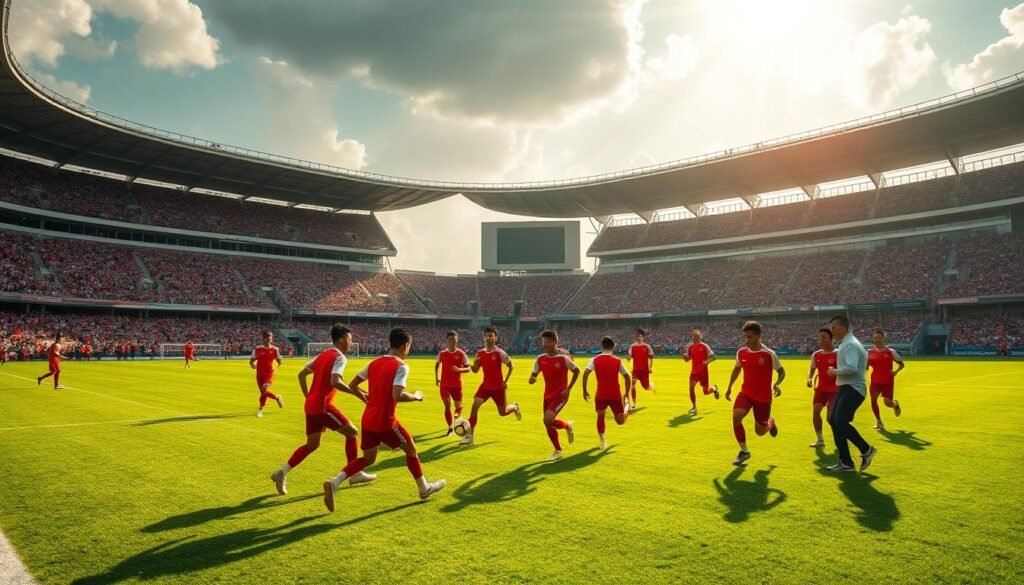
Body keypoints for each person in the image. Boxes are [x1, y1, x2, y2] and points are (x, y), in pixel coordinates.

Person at [322, 328, 446, 510]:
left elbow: (353, 385)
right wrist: (416, 396)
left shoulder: (374, 362)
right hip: (386, 421)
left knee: (368, 459)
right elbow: (398, 394)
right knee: (411, 450)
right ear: (405, 345)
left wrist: (366, 398)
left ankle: (334, 482)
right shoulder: (401, 366)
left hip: (368, 420)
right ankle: (424, 488)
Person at [269, 325, 375, 495]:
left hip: (311, 406)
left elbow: (301, 375)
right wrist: (357, 394)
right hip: (322, 406)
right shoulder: (340, 357)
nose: (351, 343)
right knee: (352, 433)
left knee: (312, 445)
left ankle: (282, 472)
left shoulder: (324, 354)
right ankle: (354, 474)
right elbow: (335, 381)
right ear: (342, 341)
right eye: (350, 339)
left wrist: (308, 396)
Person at [725, 321, 785, 465]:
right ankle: (744, 451)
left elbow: (781, 371)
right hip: (745, 393)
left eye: (750, 337)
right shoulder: (741, 352)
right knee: (736, 417)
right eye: (745, 337)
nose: (747, 340)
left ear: (759, 336)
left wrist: (777, 384)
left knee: (760, 431)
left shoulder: (769, 354)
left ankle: (770, 422)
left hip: (763, 398)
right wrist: (729, 387)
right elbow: (737, 368)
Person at [826, 315, 877, 472]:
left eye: (833, 327)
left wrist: (834, 371)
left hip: (853, 388)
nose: (831, 331)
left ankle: (866, 449)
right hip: (846, 387)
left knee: (839, 421)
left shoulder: (850, 345)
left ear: (843, 327)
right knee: (834, 421)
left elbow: (852, 368)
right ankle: (846, 462)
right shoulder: (847, 343)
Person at [461, 326, 521, 446]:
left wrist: (506, 381)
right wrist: (474, 365)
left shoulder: (500, 352)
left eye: (491, 336)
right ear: (484, 337)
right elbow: (475, 370)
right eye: (486, 336)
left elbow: (511, 365)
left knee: (503, 412)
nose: (488, 338)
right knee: (475, 406)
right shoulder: (480, 353)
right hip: (485, 386)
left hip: (498, 388)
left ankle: (514, 407)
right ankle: (470, 436)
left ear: (495, 338)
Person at [529, 330, 580, 462]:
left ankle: (559, 447)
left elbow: (577, 371)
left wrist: (568, 388)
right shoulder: (540, 359)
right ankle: (564, 434)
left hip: (561, 395)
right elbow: (534, 374)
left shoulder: (563, 359)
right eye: (543, 342)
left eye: (547, 342)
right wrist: (532, 379)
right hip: (547, 395)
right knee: (548, 423)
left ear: (554, 342)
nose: (544, 344)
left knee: (547, 420)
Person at [582, 336, 632, 450]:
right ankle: (603, 441)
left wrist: (584, 390)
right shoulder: (617, 360)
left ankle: (627, 406)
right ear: (613, 347)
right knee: (618, 421)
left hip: (605, 395)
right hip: (611, 395)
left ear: (602, 346)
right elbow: (627, 376)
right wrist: (627, 393)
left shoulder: (594, 359)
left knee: (603, 417)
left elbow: (585, 373)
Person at [867, 329, 905, 431]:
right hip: (875, 381)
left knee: (887, 403)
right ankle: (879, 422)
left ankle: (895, 405)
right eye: (875, 338)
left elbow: (902, 364)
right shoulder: (870, 352)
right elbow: (866, 367)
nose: (876, 340)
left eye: (879, 338)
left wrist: (896, 372)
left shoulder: (891, 352)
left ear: (884, 339)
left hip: (887, 381)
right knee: (873, 400)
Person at [807, 328, 838, 447]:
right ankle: (820, 440)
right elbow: (812, 369)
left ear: (831, 339)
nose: (820, 340)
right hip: (821, 389)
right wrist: (809, 378)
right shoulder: (816, 354)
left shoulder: (838, 354)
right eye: (819, 337)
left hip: (835, 390)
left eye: (824, 337)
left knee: (830, 418)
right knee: (816, 411)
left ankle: (840, 436)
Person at [435, 330, 471, 436]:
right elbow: (437, 365)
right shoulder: (442, 354)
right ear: (447, 340)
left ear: (457, 340)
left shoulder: (461, 354)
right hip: (444, 384)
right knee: (447, 405)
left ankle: (456, 421)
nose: (452, 341)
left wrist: (459, 370)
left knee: (458, 407)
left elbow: (468, 368)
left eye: (454, 339)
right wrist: (436, 378)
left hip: (457, 384)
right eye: (450, 339)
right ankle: (450, 428)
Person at [681, 328, 718, 415]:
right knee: (691, 389)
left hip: (703, 373)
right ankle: (694, 407)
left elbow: (714, 357)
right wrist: (683, 356)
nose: (695, 334)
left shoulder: (705, 346)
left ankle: (715, 388)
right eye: (693, 333)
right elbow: (687, 360)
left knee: (706, 392)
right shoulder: (690, 347)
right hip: (694, 372)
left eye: (697, 333)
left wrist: (707, 362)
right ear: (692, 336)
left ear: (700, 336)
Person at [250, 330, 284, 418]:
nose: (269, 339)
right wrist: (253, 365)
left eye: (271, 337)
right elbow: (251, 361)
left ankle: (260, 410)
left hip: (269, 373)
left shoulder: (275, 349)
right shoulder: (258, 349)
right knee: (263, 393)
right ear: (264, 338)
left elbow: (279, 361)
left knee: (265, 388)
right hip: (259, 373)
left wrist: (276, 366)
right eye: (268, 337)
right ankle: (277, 397)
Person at [626, 328, 655, 410]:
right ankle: (634, 403)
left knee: (646, 387)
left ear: (643, 337)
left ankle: (651, 386)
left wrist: (650, 368)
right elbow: (630, 356)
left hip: (644, 371)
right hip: (635, 370)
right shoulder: (632, 347)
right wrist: (628, 358)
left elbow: (650, 358)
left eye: (640, 336)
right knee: (633, 384)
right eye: (637, 336)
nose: (639, 337)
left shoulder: (647, 347)